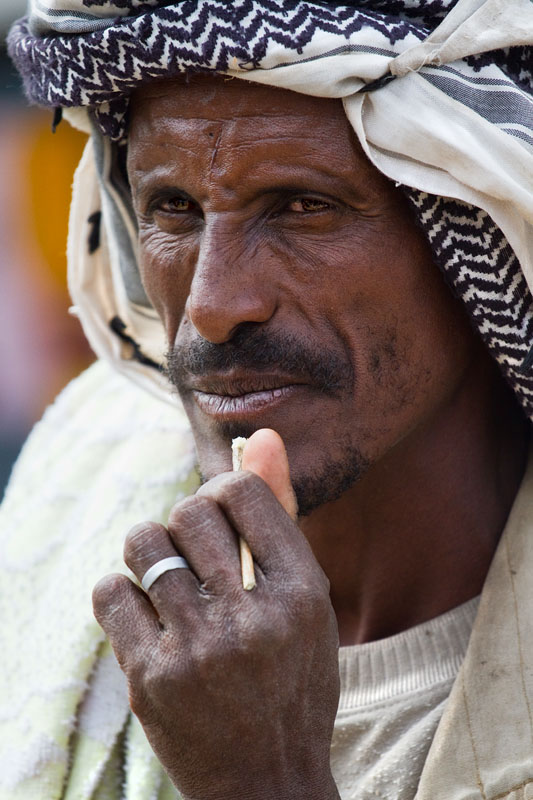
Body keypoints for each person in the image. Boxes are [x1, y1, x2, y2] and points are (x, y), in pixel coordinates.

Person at [2, 1, 533, 799]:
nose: (213, 305)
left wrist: (261, 779)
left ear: (478, 230)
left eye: (300, 206)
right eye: (172, 208)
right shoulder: (91, 447)